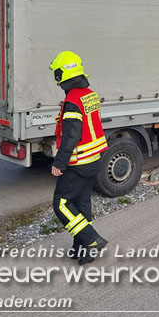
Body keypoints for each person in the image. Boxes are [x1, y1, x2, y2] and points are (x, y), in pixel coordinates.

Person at [49, 51, 109, 265]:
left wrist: (59, 163)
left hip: (78, 161)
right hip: (94, 159)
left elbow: (72, 135)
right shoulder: (89, 94)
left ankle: (91, 239)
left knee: (62, 204)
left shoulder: (72, 100)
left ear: (62, 75)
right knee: (81, 202)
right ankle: (83, 250)